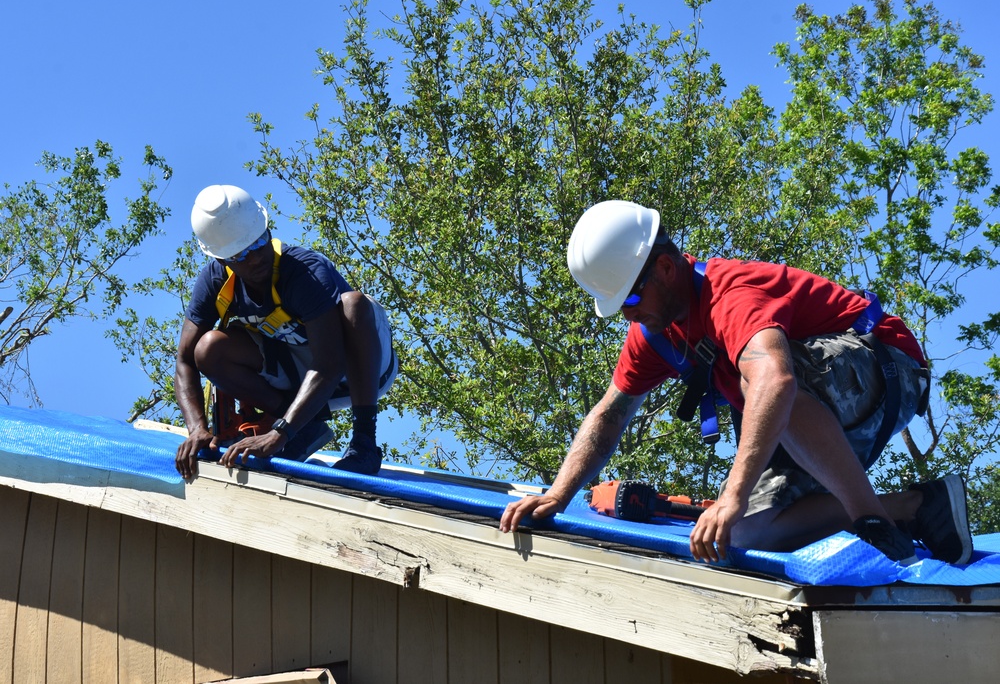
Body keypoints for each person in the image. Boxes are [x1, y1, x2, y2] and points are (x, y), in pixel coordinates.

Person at [500, 200, 974, 566]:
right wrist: (557, 494)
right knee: (741, 535)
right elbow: (609, 414)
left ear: (666, 268)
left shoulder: (730, 294)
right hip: (814, 417)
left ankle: (873, 526)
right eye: (618, 306)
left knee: (763, 383)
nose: (628, 313)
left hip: (888, 371)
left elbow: (777, 382)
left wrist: (732, 493)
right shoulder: (654, 333)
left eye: (631, 296)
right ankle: (913, 507)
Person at [174, 185, 397, 479]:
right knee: (208, 349)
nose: (257, 256)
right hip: (301, 375)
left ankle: (364, 444)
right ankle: (306, 427)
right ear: (223, 260)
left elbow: (328, 364)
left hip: (360, 370)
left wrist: (280, 432)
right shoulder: (215, 283)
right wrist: (197, 428)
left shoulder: (304, 272)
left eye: (260, 241)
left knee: (353, 304)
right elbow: (185, 362)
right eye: (244, 254)